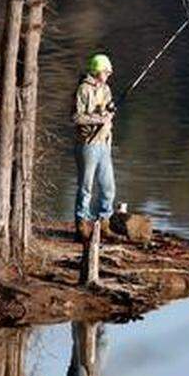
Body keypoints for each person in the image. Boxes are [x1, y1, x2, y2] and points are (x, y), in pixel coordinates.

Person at [71, 53, 117, 241]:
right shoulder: (83, 89)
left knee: (108, 186)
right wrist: (100, 118)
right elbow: (76, 117)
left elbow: (106, 112)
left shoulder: (106, 90)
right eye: (106, 71)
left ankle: (104, 222)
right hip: (87, 145)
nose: (108, 74)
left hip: (104, 144)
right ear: (98, 71)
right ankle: (82, 224)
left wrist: (109, 112)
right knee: (86, 186)